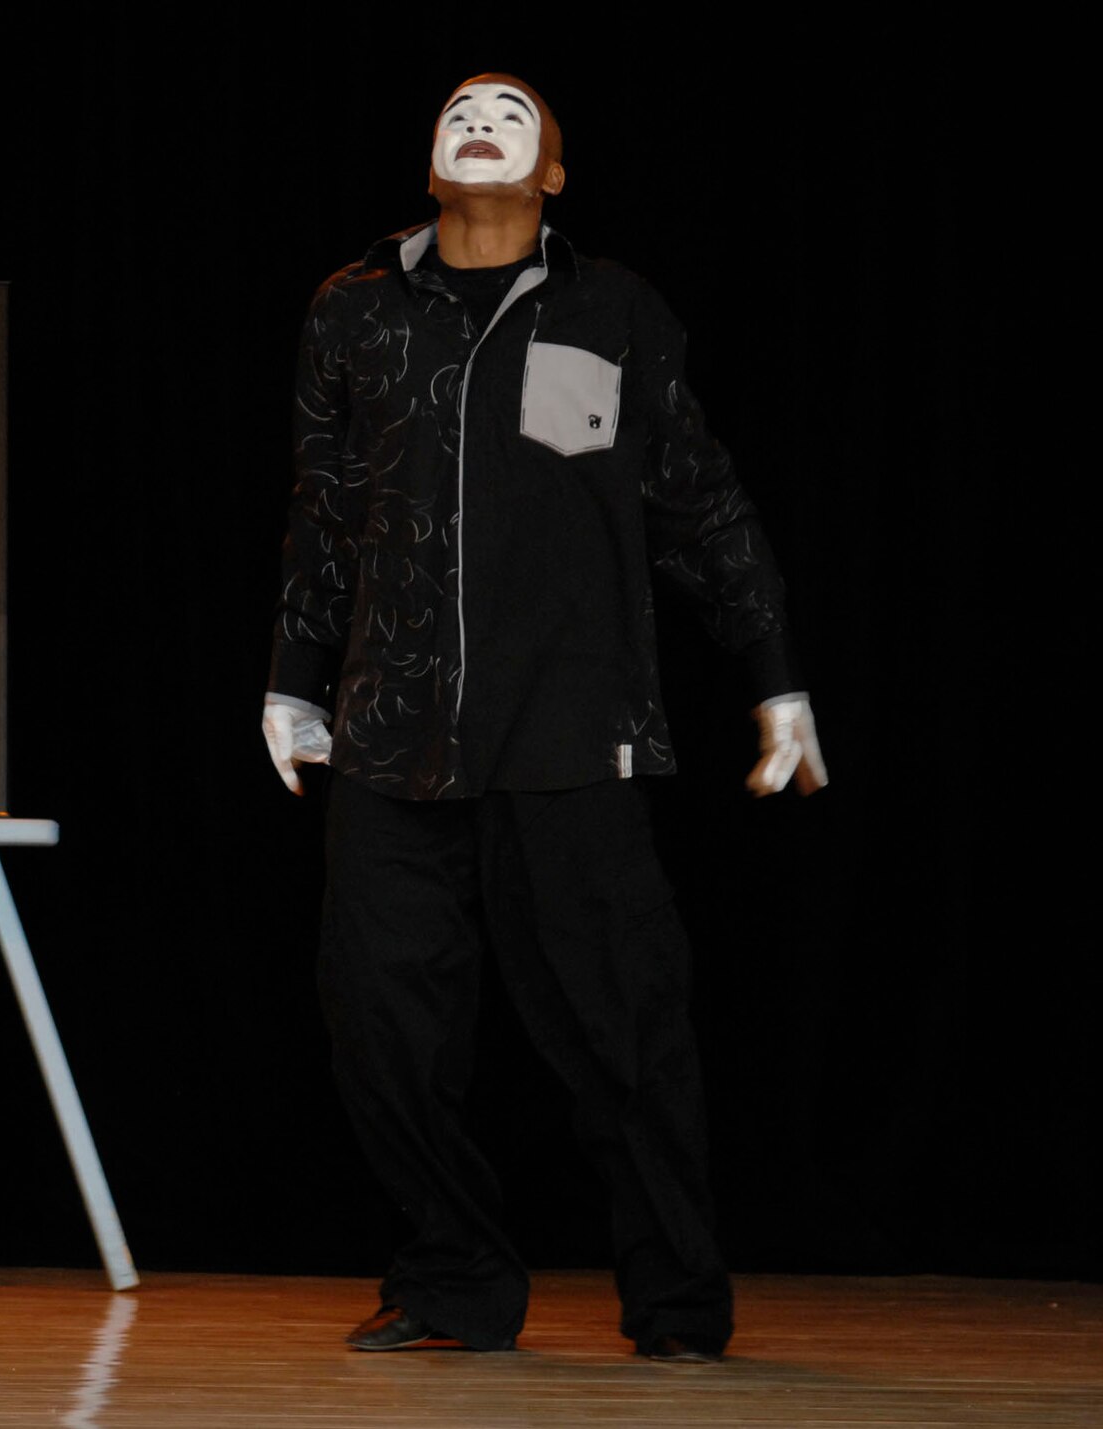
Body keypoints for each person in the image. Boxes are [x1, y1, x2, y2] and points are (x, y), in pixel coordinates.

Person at [262, 73, 826, 1364]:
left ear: (552, 177)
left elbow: (699, 501)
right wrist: (292, 677)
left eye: (512, 115)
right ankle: (455, 1276)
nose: (479, 121)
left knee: (627, 1031)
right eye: (459, 109)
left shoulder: (615, 310)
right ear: (429, 160)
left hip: (573, 732)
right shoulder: (353, 312)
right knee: (381, 1023)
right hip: (390, 733)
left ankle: (678, 1303)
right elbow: (324, 505)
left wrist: (775, 673)